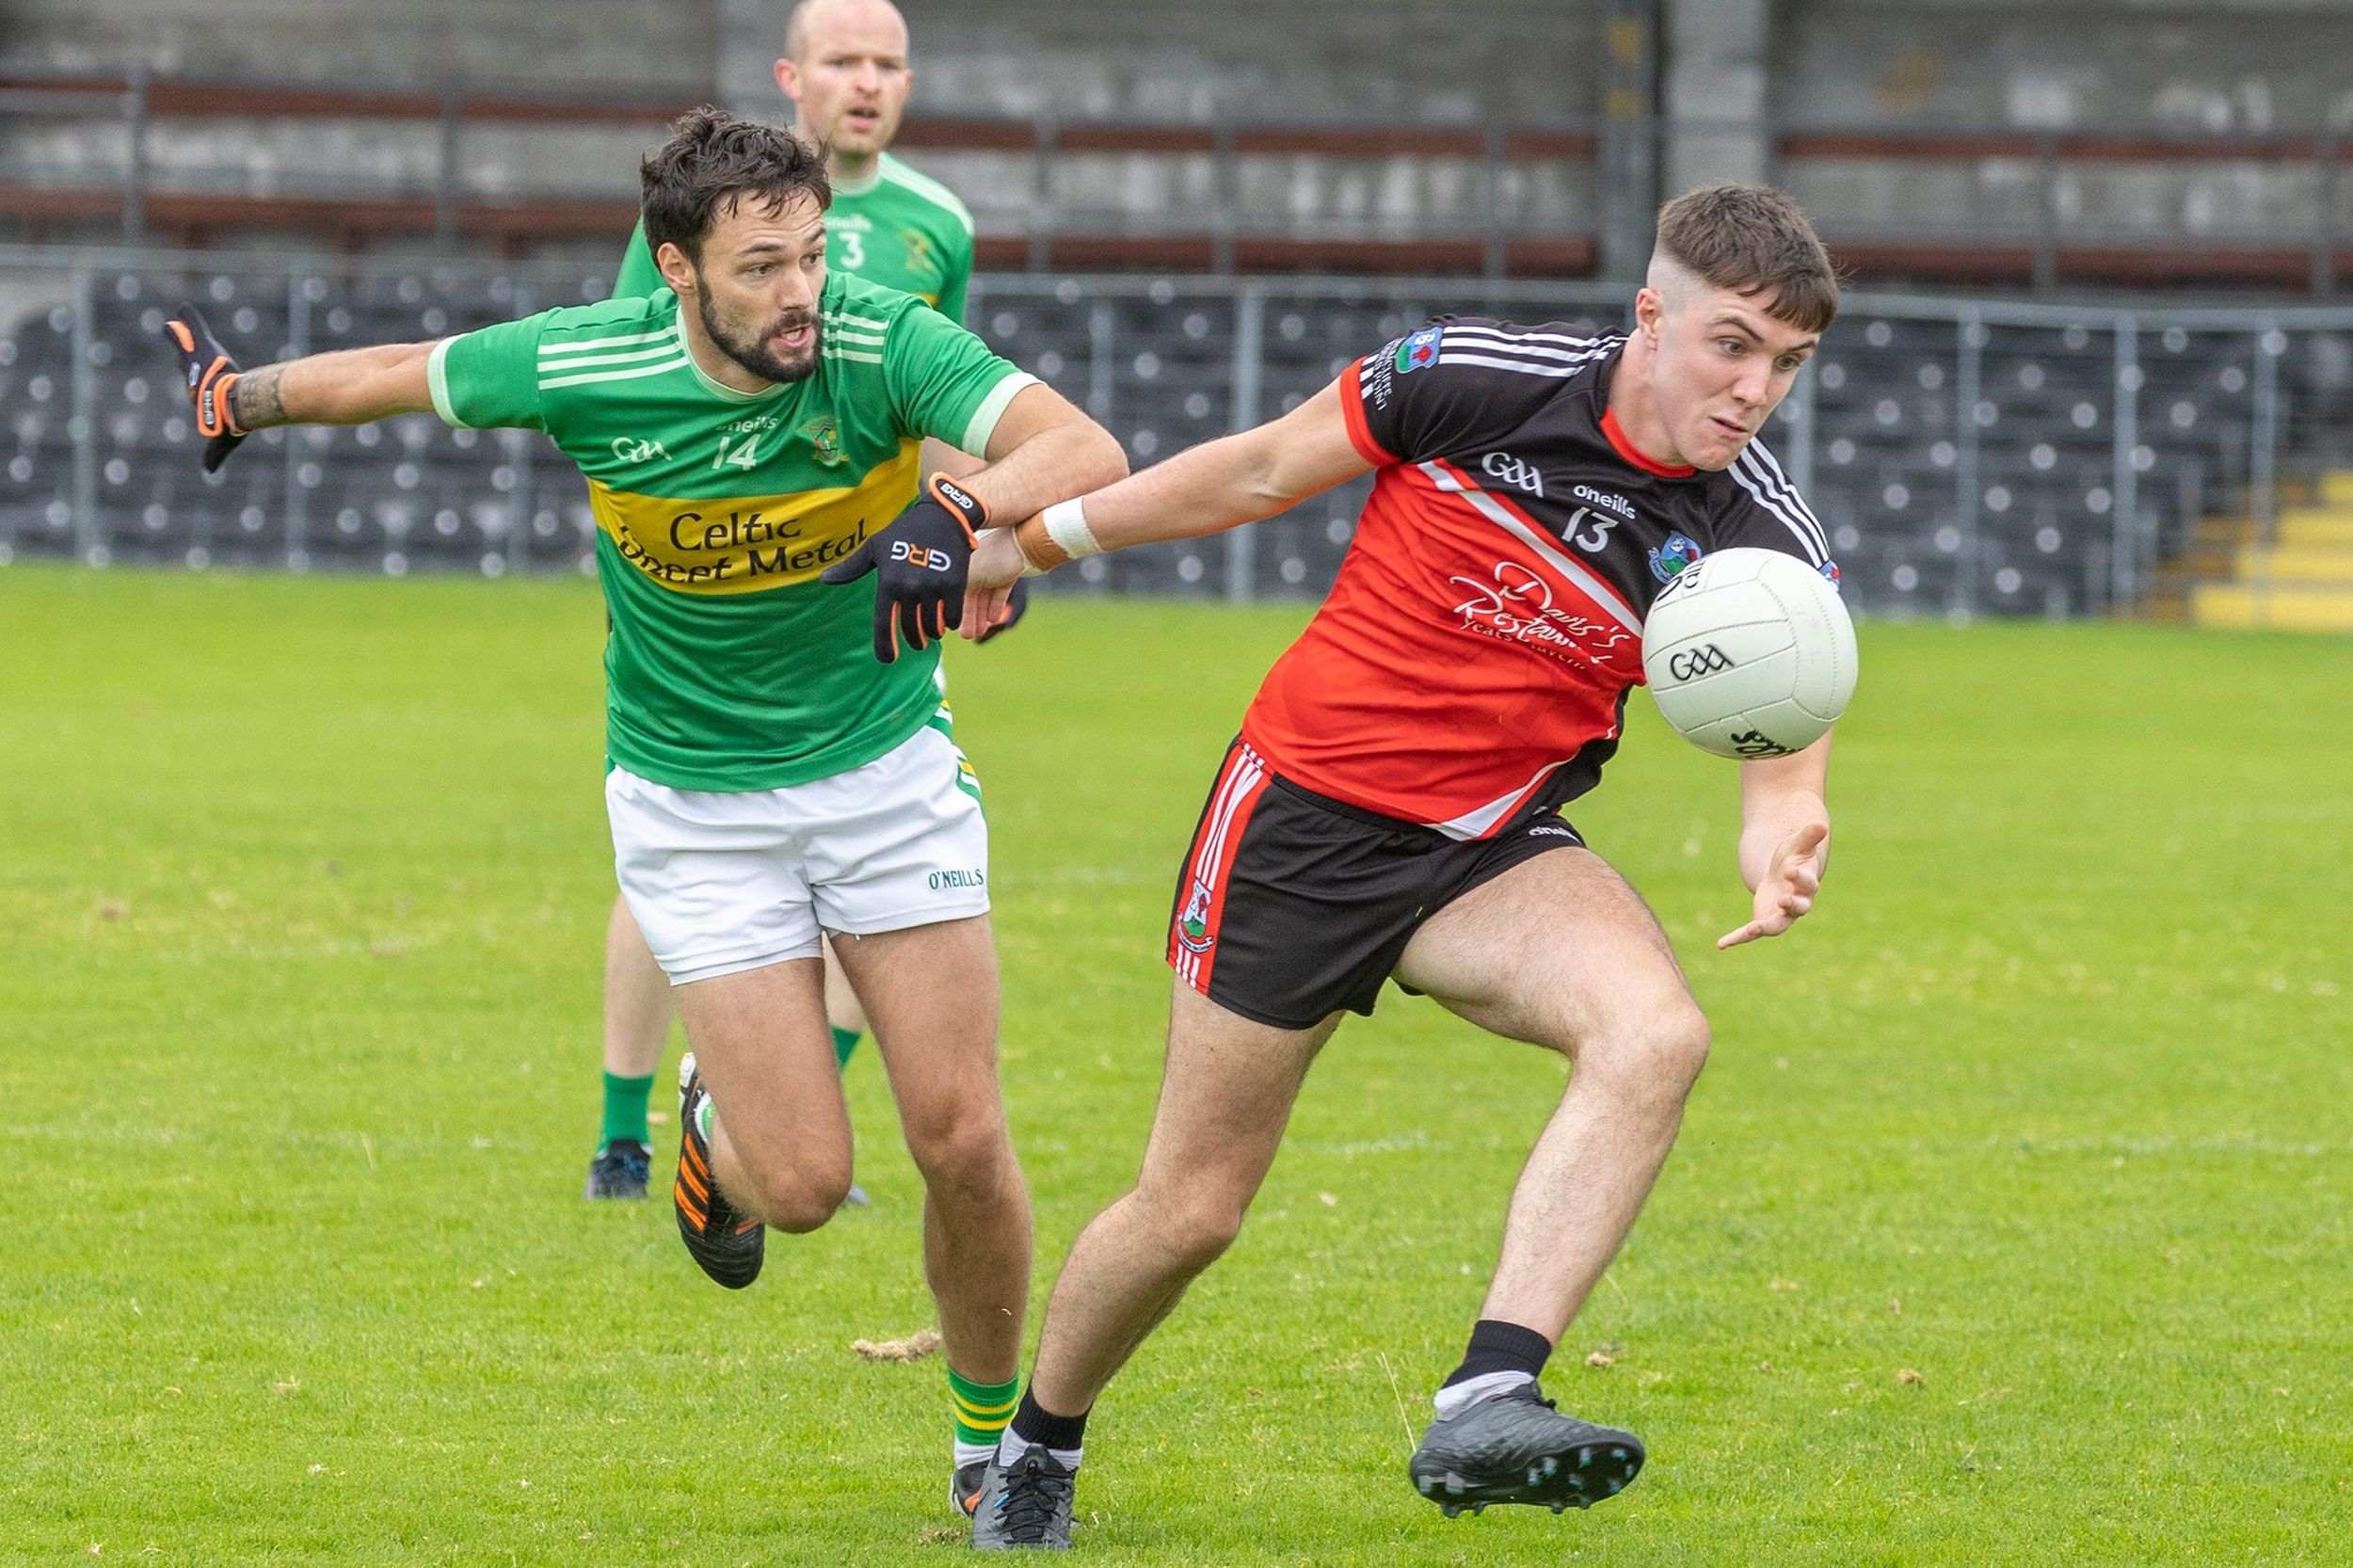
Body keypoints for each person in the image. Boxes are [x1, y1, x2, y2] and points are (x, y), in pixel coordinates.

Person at [163, 108, 1127, 1519]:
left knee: (962, 1136)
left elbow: (1080, 442)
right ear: (675, 268)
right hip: (693, 808)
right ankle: (708, 1134)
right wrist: (239, 400)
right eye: (759, 269)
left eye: (809, 256)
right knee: (800, 1185)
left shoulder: (870, 337)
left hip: (883, 774)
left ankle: (1004, 1452)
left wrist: (957, 512)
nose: (798, 292)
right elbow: (399, 377)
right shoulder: (585, 359)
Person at [953, 184, 1845, 1548]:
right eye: (1734, 344)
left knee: (1656, 1034)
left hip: (1490, 844)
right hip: (1302, 820)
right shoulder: (1471, 379)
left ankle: (1490, 1391)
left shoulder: (1751, 522)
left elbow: (1790, 708)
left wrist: (1779, 827)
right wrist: (1033, 541)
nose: (1756, 389)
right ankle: (1036, 1441)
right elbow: (1256, 471)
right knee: (1193, 1206)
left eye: (1786, 362)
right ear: (1652, 315)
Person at [589, 0, 1019, 1209]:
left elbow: (946, 405)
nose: (868, 82)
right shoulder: (703, 217)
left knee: (859, 852)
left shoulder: (939, 223)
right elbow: (637, 361)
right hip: (715, 576)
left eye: (889, 62)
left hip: (870, 587)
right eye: (843, 61)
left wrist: (985, 541)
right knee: (681, 851)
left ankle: (761, 1114)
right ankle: (628, 1131)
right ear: (794, 76)